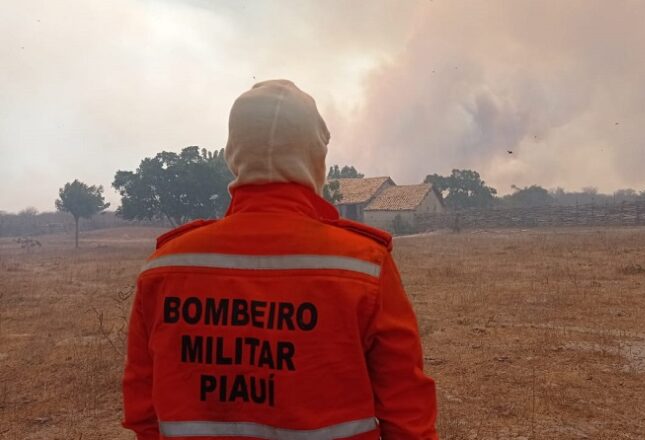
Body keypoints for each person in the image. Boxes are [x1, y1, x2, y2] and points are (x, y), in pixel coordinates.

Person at [122, 79, 438, 440]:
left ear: (233, 155)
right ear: (315, 158)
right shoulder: (364, 265)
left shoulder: (163, 267)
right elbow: (407, 414)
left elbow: (143, 411)